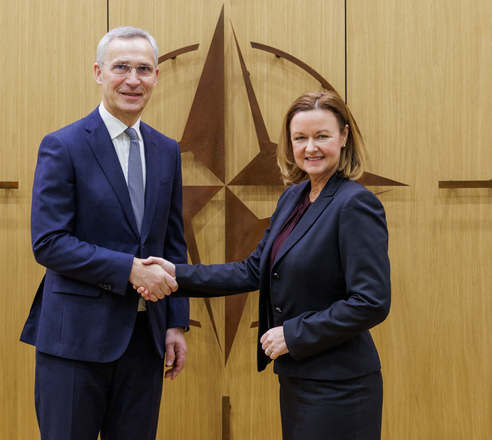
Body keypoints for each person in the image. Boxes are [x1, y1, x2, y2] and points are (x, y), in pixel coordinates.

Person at [139, 90, 390, 439]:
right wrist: (174, 274)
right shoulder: (295, 197)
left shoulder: (355, 204)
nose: (310, 148)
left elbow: (371, 302)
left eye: (322, 136)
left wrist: (293, 334)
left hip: (340, 385)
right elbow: (254, 270)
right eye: (300, 138)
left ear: (344, 136)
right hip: (299, 377)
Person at [20, 26, 189, 440]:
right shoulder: (63, 145)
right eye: (121, 68)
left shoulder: (166, 150)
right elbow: (49, 242)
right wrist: (130, 269)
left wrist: (176, 323)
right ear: (98, 72)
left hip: (144, 341)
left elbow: (173, 243)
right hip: (74, 341)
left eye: (144, 69)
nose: (133, 79)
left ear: (155, 77)